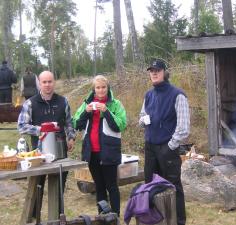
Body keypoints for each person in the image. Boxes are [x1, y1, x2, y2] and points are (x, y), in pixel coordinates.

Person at [17, 70, 76, 216]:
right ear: (40, 84)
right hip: (39, 155)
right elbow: (21, 126)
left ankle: (57, 216)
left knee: (59, 189)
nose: (47, 85)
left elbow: (69, 122)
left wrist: (71, 137)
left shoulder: (63, 101)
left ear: (54, 82)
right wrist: (40, 130)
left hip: (61, 153)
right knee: (37, 187)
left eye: (50, 81)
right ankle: (34, 216)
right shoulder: (30, 103)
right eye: (44, 82)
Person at [139, 59, 190, 225]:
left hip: (167, 148)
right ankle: (156, 220)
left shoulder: (178, 95)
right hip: (150, 148)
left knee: (173, 187)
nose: (154, 73)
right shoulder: (148, 95)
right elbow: (141, 117)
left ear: (164, 72)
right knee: (151, 186)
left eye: (157, 70)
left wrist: (170, 146)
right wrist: (143, 120)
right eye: (151, 70)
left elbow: (183, 128)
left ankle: (179, 221)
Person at [72, 75, 127, 216]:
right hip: (92, 153)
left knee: (112, 186)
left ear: (108, 88)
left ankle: (115, 217)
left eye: (103, 87)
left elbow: (120, 125)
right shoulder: (87, 103)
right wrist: (86, 111)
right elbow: (76, 123)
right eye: (98, 87)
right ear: (94, 89)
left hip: (109, 152)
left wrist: (106, 111)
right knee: (99, 187)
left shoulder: (116, 104)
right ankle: (102, 217)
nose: (101, 90)